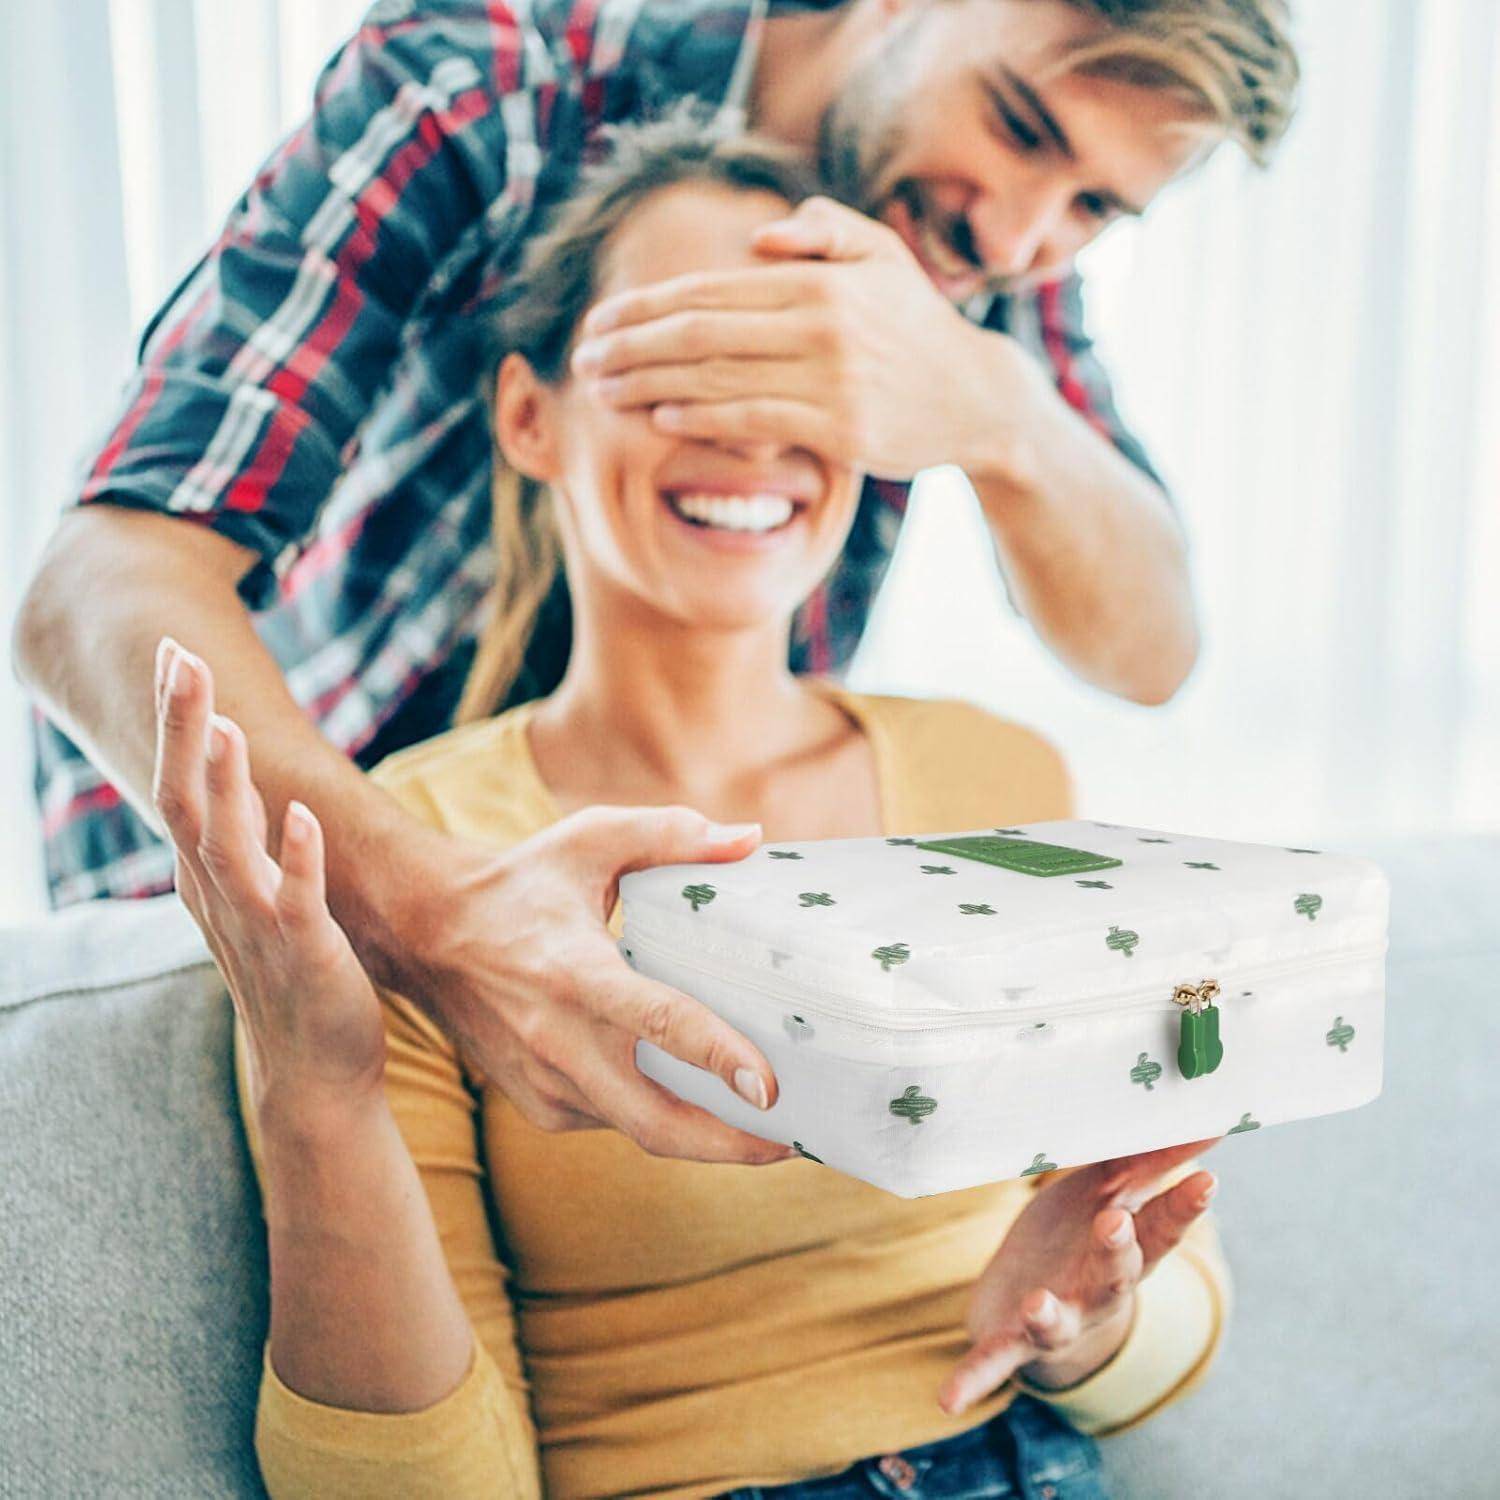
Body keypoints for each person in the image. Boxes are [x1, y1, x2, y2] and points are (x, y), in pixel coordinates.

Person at [15, 0, 1299, 1166]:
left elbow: (1152, 648)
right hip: (231, 913)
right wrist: (441, 918)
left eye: (1096, 209)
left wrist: (998, 414)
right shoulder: (483, 91)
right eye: (1018, 125)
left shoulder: (974, 257)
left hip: (579, 962)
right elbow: (95, 586)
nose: (1021, 232)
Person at [153, 119, 1231, 1499]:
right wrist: (323, 1095)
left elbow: (1181, 1297)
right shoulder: (403, 866)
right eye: (684, 359)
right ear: (527, 415)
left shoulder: (1002, 783)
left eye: (803, 369)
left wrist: (1081, 1324)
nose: (750, 430)